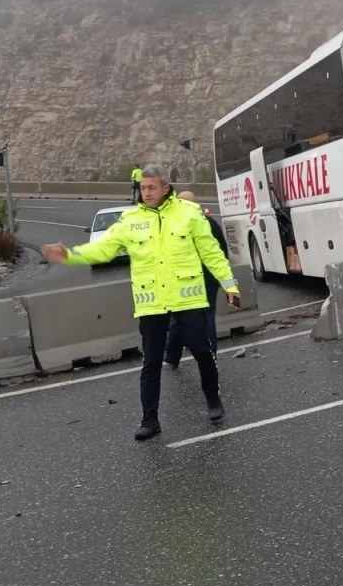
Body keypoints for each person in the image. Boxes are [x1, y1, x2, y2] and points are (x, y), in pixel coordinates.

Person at [41, 165, 240, 441]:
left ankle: (212, 400)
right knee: (151, 363)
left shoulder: (189, 214)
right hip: (152, 303)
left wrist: (229, 285)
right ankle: (150, 420)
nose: (146, 193)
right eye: (143, 188)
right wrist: (70, 256)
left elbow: (212, 253)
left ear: (165, 188)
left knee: (203, 353)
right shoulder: (130, 219)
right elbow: (103, 248)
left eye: (152, 187)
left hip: (188, 299)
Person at [164, 191, 227, 370]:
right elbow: (222, 252)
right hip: (208, 279)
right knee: (206, 318)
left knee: (179, 317)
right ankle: (208, 357)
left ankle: (172, 356)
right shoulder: (211, 224)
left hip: (186, 280)